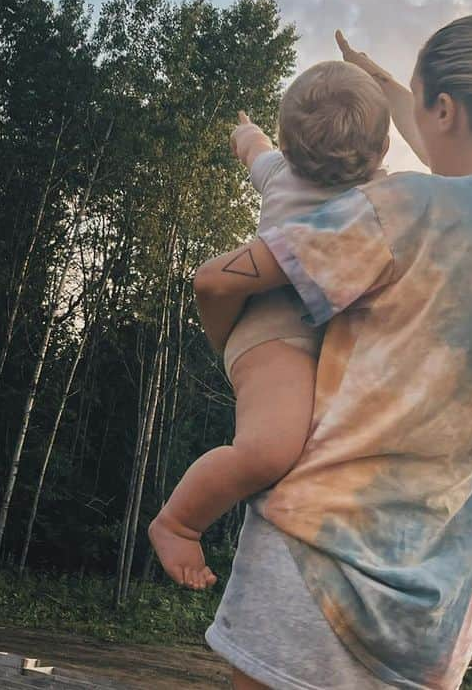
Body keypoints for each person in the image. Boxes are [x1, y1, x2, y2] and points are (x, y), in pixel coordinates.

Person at [198, 14, 472, 690]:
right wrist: (378, 76)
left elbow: (217, 280)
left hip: (313, 576)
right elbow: (440, 135)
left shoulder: (402, 207)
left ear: (446, 109)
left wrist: (241, 350)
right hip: (435, 623)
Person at [149, 61, 390, 591]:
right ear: (382, 151)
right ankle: (178, 522)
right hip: (274, 329)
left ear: (287, 140)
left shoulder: (281, 168)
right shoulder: (377, 190)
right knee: (269, 450)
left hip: (312, 330)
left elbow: (251, 150)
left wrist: (243, 130)